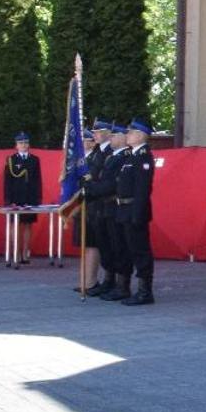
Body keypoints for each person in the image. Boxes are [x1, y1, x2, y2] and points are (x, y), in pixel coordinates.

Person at [115, 120, 159, 306]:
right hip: (124, 209)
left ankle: (144, 291)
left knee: (140, 251)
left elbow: (142, 189)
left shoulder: (143, 157)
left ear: (141, 135)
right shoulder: (131, 156)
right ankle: (123, 287)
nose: (127, 135)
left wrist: (137, 214)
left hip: (134, 210)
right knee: (126, 249)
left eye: (131, 132)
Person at [93, 124, 133, 301]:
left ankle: (122, 285)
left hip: (115, 206)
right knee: (106, 245)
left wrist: (92, 189)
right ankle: (108, 280)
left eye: (116, 135)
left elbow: (112, 184)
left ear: (124, 138)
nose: (112, 139)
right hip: (104, 206)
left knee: (119, 247)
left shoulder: (125, 157)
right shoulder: (110, 156)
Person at [77, 122, 115, 296]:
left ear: (108, 133)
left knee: (103, 245)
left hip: (101, 204)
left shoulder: (108, 152)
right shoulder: (98, 153)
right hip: (91, 204)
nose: (96, 135)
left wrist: (90, 186)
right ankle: (88, 281)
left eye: (99, 132)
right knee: (90, 243)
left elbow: (101, 179)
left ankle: (97, 281)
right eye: (94, 132)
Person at [3, 132, 41, 265]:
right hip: (16, 197)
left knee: (28, 224)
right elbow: (7, 181)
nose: (23, 145)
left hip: (29, 197)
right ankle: (16, 252)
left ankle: (25, 252)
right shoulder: (11, 159)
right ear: (16, 145)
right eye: (21, 143)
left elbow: (37, 181)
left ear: (29, 144)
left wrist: (37, 198)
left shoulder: (34, 159)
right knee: (15, 225)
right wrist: (8, 199)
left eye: (25, 143)